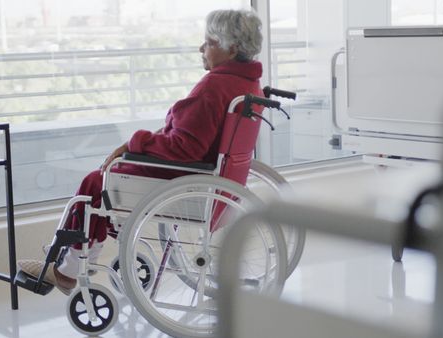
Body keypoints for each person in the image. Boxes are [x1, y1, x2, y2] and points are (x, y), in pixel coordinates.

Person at [17, 9, 264, 295]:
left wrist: (135, 143)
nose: (201, 48)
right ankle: (73, 258)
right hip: (208, 177)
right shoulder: (248, 84)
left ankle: (68, 270)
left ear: (231, 48)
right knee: (105, 178)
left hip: (185, 177)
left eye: (208, 42)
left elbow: (185, 147)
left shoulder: (214, 85)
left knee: (96, 183)